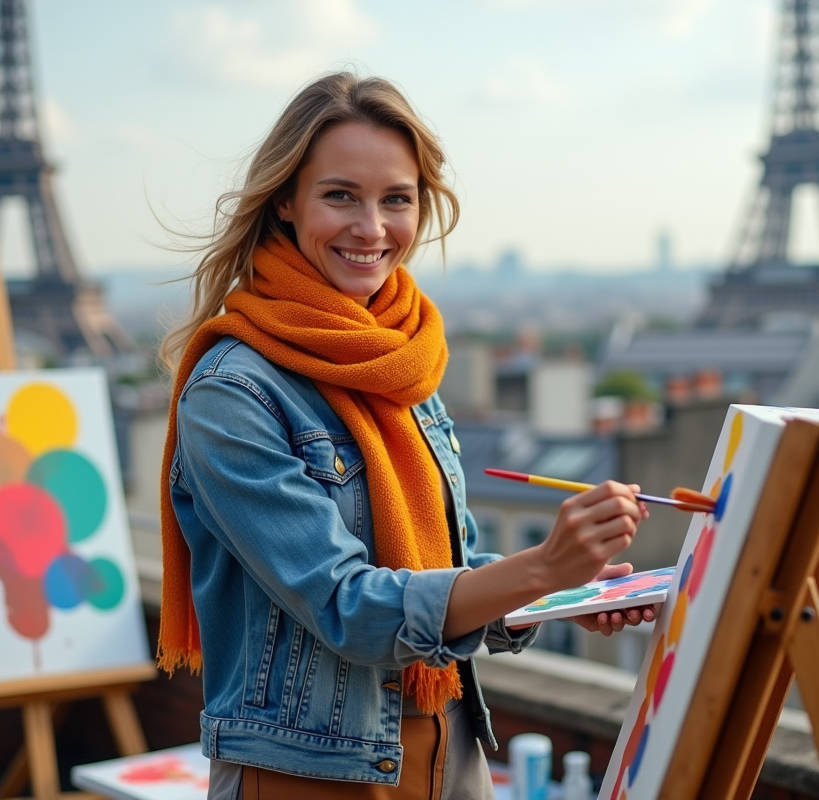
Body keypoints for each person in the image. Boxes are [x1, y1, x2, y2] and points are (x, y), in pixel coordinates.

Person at [158, 72, 656, 800]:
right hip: (308, 774)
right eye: (340, 196)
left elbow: (443, 566)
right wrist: (543, 567)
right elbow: (346, 604)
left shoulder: (399, 359)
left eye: (397, 198)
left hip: (449, 754)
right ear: (287, 203)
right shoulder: (232, 393)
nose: (372, 227)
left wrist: (563, 590)